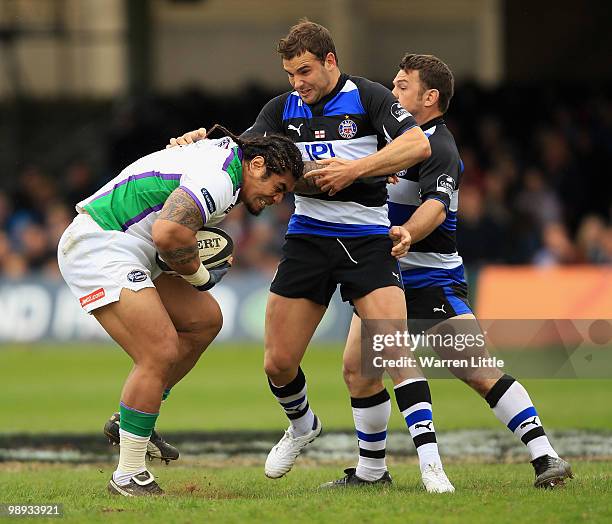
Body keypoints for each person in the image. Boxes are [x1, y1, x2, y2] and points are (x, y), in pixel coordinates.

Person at [165, 20, 456, 493]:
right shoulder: (281, 108)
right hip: (307, 239)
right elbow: (243, 157)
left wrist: (355, 169)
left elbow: (417, 143)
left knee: (393, 350)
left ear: (330, 62)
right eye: (289, 74)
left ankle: (431, 466)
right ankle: (303, 426)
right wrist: (193, 149)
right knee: (278, 363)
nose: (296, 83)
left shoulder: (369, 97)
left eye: (304, 72)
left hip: (366, 240)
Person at [313, 54, 572, 489]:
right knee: (357, 370)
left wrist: (408, 233)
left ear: (429, 97)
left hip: (429, 278)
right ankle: (372, 472)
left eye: (401, 86)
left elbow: (436, 206)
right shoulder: (387, 135)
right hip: (383, 277)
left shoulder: (440, 147)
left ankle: (545, 455)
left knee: (477, 371)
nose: (392, 93)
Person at [58, 126, 303, 496]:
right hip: (100, 242)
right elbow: (169, 233)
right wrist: (200, 275)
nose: (278, 198)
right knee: (158, 350)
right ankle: (128, 475)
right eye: (279, 187)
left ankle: (133, 416)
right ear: (256, 165)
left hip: (132, 247)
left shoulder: (229, 163)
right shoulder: (221, 178)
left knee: (205, 321)